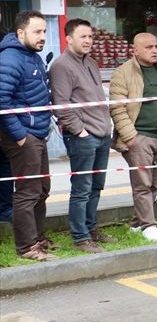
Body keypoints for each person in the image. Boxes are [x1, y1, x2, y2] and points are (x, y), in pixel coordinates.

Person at [49, 19, 114, 252]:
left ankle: (90, 228)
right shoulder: (61, 66)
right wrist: (81, 132)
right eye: (82, 36)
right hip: (83, 137)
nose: (88, 41)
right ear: (68, 38)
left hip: (102, 134)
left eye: (90, 36)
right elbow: (61, 105)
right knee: (82, 188)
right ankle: (80, 237)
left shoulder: (91, 63)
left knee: (96, 186)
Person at [110, 33, 157, 242]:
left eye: (156, 46)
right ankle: (149, 226)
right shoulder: (122, 73)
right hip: (139, 138)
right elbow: (117, 108)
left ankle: (136, 224)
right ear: (136, 50)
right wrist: (131, 138)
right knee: (142, 184)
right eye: (149, 47)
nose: (155, 50)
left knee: (152, 182)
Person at [0, 10, 55, 261]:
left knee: (42, 189)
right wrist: (21, 136)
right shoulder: (11, 58)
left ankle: (38, 238)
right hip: (23, 137)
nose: (43, 36)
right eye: (37, 31)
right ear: (20, 32)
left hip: (37, 134)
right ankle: (26, 247)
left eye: (44, 31)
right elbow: (1, 100)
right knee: (27, 192)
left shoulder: (32, 56)